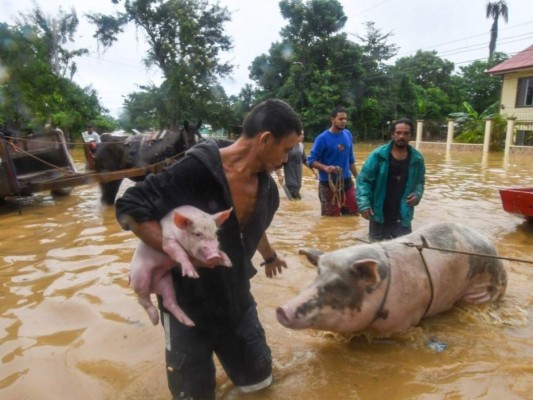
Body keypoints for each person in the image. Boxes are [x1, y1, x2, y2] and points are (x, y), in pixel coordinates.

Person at [115, 99, 302, 399]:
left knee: (260, 386)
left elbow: (250, 226)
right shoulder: (193, 171)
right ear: (266, 140)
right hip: (187, 305)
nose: (288, 158)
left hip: (236, 302)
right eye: (287, 149)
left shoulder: (268, 191)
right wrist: (180, 251)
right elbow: (129, 207)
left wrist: (269, 256)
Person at [356, 118, 425, 241]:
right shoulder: (377, 156)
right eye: (398, 133)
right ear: (392, 134)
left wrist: (417, 195)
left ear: (410, 136)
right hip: (379, 213)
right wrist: (364, 204)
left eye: (406, 133)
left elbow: (419, 182)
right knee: (376, 253)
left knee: (404, 254)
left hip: (403, 216)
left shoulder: (417, 159)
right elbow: (364, 181)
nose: (401, 136)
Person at [307, 106, 359, 216]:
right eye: (340, 119)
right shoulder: (322, 139)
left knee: (354, 213)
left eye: (345, 119)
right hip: (327, 183)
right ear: (332, 119)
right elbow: (310, 161)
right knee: (330, 219)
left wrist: (359, 178)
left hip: (346, 180)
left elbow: (351, 160)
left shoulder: (348, 134)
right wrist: (325, 168)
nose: (344, 121)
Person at [275, 129, 314, 199]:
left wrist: (313, 170)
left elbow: (304, 161)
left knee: (294, 203)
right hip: (290, 182)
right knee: (297, 203)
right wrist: (279, 175)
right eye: (300, 134)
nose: (303, 136)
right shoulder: (288, 147)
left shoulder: (301, 146)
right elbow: (278, 162)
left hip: (298, 182)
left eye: (303, 134)